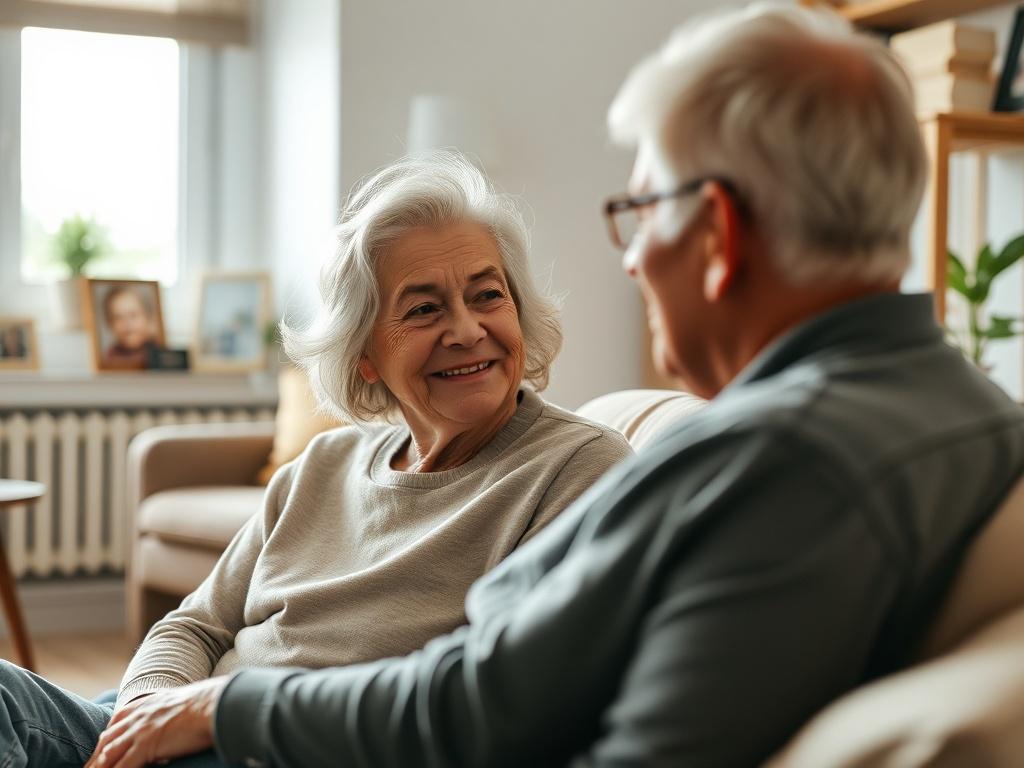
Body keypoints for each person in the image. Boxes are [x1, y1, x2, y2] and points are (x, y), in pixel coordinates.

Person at [84, 5, 1024, 768]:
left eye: (640, 208)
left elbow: (475, 706)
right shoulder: (964, 414)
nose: (628, 261)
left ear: (719, 233)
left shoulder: (776, 459)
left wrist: (230, 708)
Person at [0, 152, 631, 767]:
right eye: (424, 308)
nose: (466, 329)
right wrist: (145, 716)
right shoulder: (323, 464)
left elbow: (497, 703)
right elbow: (191, 628)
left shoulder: (579, 470)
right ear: (365, 356)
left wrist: (219, 709)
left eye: (488, 295)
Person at [102, 286, 161, 367]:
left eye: (133, 315)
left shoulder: (159, 351)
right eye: (118, 317)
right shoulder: (109, 358)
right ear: (110, 324)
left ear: (148, 317)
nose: (127, 324)